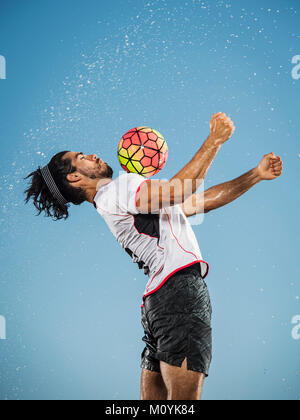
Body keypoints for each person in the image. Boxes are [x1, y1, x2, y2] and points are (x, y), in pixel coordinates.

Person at [24, 113, 283, 400]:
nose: (93, 155)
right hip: (179, 294)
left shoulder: (115, 201)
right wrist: (215, 140)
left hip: (157, 303)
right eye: (82, 157)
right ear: (74, 177)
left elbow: (199, 201)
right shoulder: (117, 189)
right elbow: (178, 190)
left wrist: (255, 175)